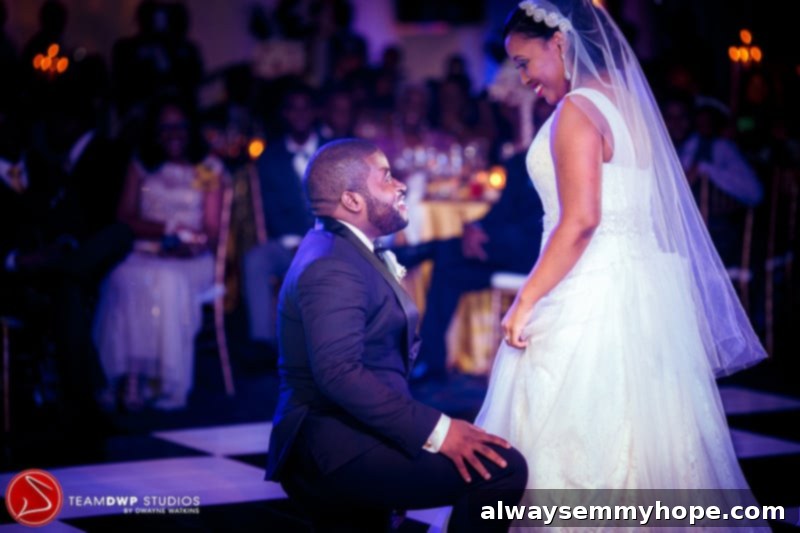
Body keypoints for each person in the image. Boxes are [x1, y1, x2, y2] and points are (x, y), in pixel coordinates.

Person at [475, 0, 766, 526]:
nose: (522, 79)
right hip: (645, 284)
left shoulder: (577, 111)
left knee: (583, 424)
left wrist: (526, 300)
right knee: (652, 426)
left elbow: (581, 220)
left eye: (524, 62)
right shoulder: (630, 107)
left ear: (559, 44)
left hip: (588, 286)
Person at [265, 139, 527, 532]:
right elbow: (338, 373)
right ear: (353, 201)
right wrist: (439, 432)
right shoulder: (331, 266)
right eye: (386, 177)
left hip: (352, 428)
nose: (401, 185)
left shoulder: (342, 248)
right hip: (332, 449)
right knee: (502, 471)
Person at [93, 97, 224, 411]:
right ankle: (129, 376)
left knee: (166, 281)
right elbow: (124, 216)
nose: (173, 133)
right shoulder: (142, 165)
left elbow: (212, 228)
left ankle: (162, 381)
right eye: (165, 127)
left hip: (192, 258)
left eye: (179, 126)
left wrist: (187, 244)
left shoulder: (207, 168)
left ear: (190, 129)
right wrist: (165, 231)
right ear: (154, 132)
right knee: (122, 277)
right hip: (145, 249)